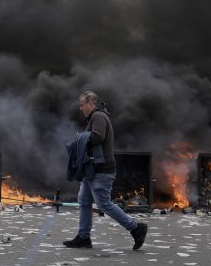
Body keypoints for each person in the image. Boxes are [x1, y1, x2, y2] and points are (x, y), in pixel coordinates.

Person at [63, 90, 148, 250]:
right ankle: (83, 238)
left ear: (91, 103)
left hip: (101, 170)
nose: (80, 108)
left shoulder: (98, 116)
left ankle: (136, 228)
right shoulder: (96, 116)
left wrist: (79, 139)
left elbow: (98, 136)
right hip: (92, 170)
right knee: (84, 201)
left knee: (104, 204)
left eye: (82, 105)